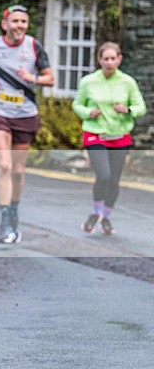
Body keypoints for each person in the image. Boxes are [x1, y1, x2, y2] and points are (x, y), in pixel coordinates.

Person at [0, 4, 55, 244]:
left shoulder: (34, 46)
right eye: (15, 21)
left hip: (25, 113)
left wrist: (33, 78)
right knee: (5, 166)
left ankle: (14, 210)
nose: (20, 26)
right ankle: (4, 220)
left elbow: (51, 78)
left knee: (18, 171)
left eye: (24, 22)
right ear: (5, 24)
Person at [72, 42, 146, 235]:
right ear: (99, 60)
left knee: (114, 180)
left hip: (119, 135)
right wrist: (88, 112)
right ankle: (95, 212)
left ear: (119, 59)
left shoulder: (127, 82)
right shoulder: (88, 82)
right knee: (103, 175)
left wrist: (128, 110)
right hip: (95, 134)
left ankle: (106, 217)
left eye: (113, 58)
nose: (109, 62)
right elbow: (77, 104)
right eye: (106, 58)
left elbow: (141, 107)